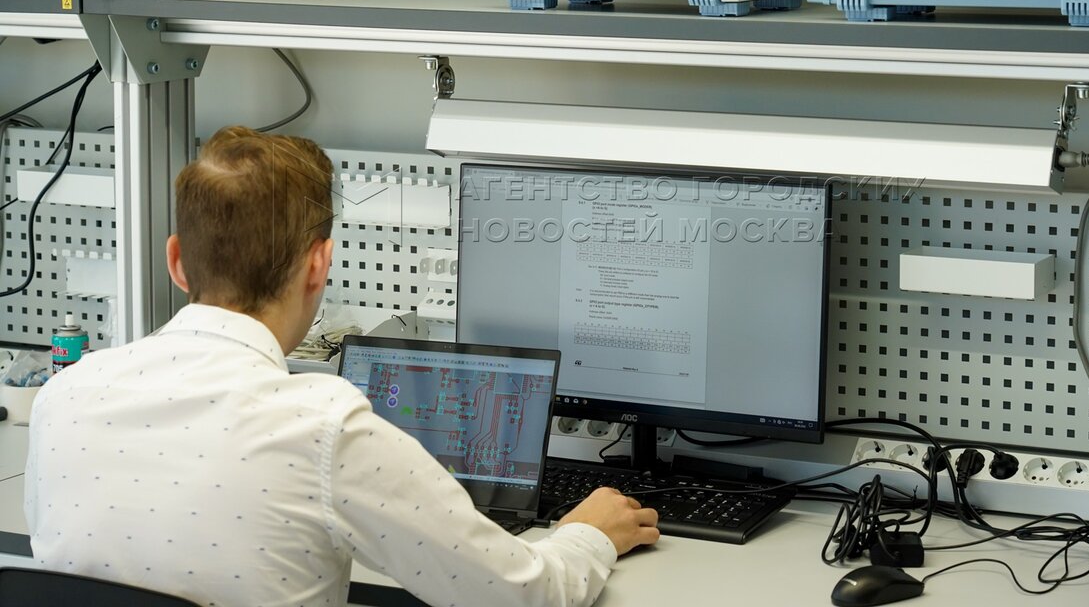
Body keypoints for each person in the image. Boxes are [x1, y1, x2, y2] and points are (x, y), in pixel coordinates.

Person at [25, 126, 659, 607]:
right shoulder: (323, 428)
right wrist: (589, 533)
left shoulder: (65, 395)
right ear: (319, 264)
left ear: (177, 262)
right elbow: (521, 595)